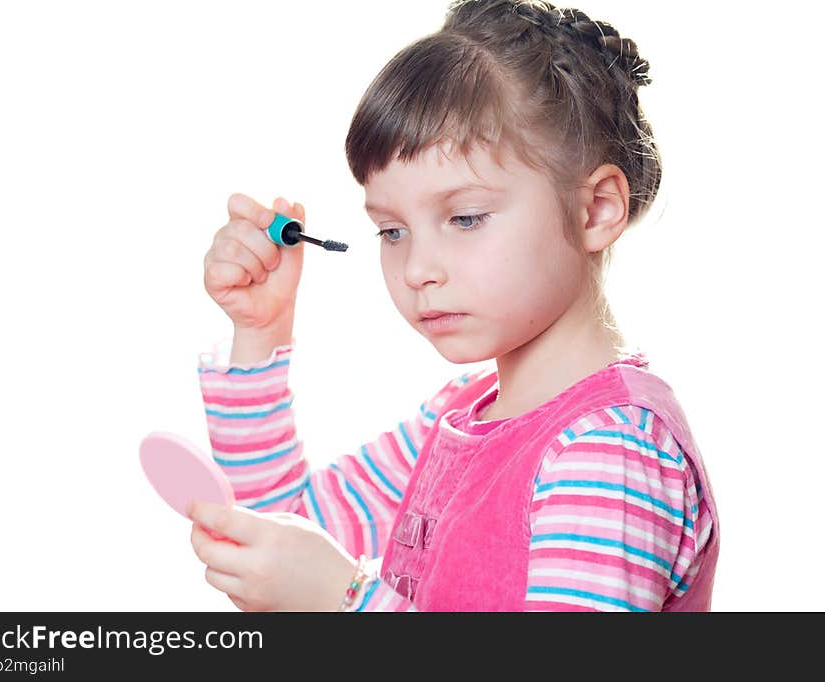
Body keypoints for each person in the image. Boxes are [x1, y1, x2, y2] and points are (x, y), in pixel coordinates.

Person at [186, 0, 720, 612]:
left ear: (596, 207)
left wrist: (347, 600)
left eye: (465, 218)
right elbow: (280, 541)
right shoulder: (463, 416)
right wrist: (261, 328)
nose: (417, 269)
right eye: (392, 231)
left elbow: (324, 586)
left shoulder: (609, 452)